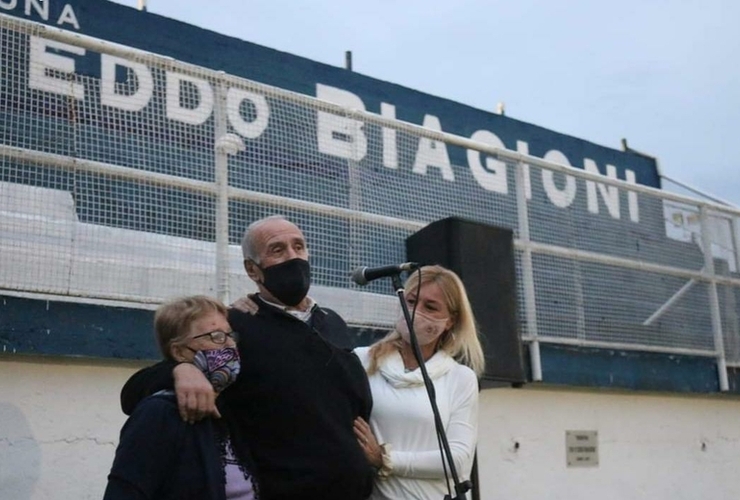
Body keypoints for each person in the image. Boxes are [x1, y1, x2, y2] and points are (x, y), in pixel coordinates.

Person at [119, 215, 374, 500]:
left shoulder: (332, 322)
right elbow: (132, 393)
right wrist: (181, 370)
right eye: (277, 250)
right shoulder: (237, 326)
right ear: (253, 270)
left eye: (299, 247)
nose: (293, 257)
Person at [104, 295, 257, 500]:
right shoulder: (160, 413)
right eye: (217, 336)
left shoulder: (230, 408)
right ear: (179, 352)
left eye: (230, 335)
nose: (230, 345)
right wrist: (179, 371)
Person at [352, 265, 485, 500]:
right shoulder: (362, 360)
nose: (415, 312)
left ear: (450, 321)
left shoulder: (459, 378)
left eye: (430, 307)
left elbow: (459, 457)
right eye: (411, 301)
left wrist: (385, 458)